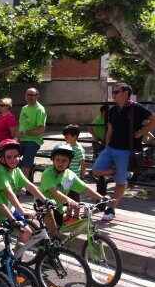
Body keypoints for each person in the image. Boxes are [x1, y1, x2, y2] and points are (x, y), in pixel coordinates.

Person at [92, 83, 155, 221]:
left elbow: (153, 119)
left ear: (125, 93)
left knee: (120, 183)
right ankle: (120, 173)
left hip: (126, 151)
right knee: (96, 169)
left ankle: (111, 209)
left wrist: (141, 132)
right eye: (113, 92)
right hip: (111, 148)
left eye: (116, 92)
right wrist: (106, 147)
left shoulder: (136, 108)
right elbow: (110, 130)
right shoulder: (113, 110)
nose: (113, 94)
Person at [0, 139, 50, 249]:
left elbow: (30, 186)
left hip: (10, 209)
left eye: (16, 156)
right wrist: (23, 211)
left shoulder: (16, 170)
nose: (13, 160)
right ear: (0, 158)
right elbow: (9, 193)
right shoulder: (0, 171)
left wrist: (46, 200)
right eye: (9, 157)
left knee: (26, 233)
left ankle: (14, 260)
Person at [40, 144, 111, 234]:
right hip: (44, 205)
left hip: (58, 207)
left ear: (70, 161)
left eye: (64, 161)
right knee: (54, 233)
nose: (60, 163)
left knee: (57, 232)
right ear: (53, 160)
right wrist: (69, 200)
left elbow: (84, 188)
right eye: (57, 160)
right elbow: (54, 192)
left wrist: (101, 197)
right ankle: (42, 247)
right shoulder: (48, 174)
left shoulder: (70, 175)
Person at [18, 88, 47, 179]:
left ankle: (18, 191)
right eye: (28, 95)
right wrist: (16, 137)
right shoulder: (24, 108)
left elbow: (41, 129)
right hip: (21, 140)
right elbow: (20, 124)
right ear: (25, 96)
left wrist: (25, 133)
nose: (30, 97)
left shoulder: (40, 109)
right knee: (11, 162)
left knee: (25, 167)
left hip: (32, 142)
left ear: (37, 96)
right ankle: (31, 169)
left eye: (33, 95)